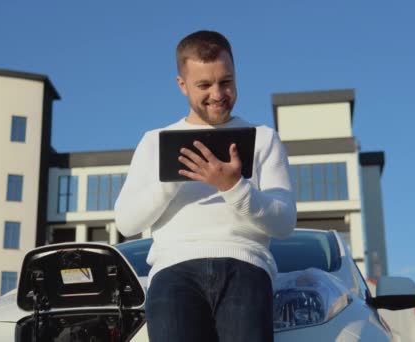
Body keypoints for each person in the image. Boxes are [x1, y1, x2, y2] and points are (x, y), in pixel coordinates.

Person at [114, 30, 296, 342]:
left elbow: (284, 222)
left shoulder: (263, 138)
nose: (217, 93)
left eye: (226, 81)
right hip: (173, 271)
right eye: (204, 85)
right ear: (182, 85)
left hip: (245, 267)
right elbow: (126, 221)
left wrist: (234, 187)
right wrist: (173, 178)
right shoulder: (154, 142)